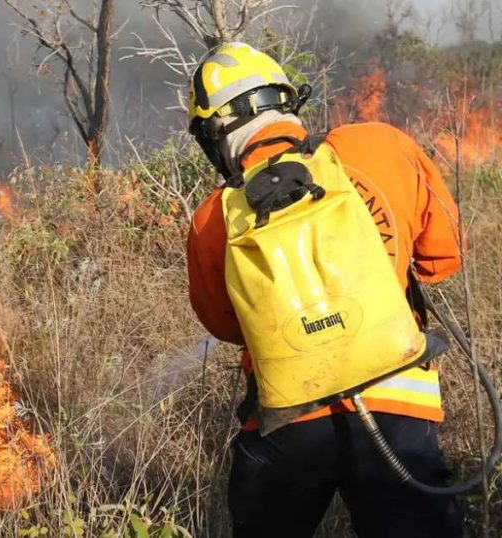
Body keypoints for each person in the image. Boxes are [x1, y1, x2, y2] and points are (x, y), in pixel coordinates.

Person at [184, 42, 465, 537]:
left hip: (287, 421)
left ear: (215, 132)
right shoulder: (379, 145)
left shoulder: (213, 217)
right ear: (285, 99)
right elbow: (444, 258)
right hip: (398, 400)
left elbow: (226, 324)